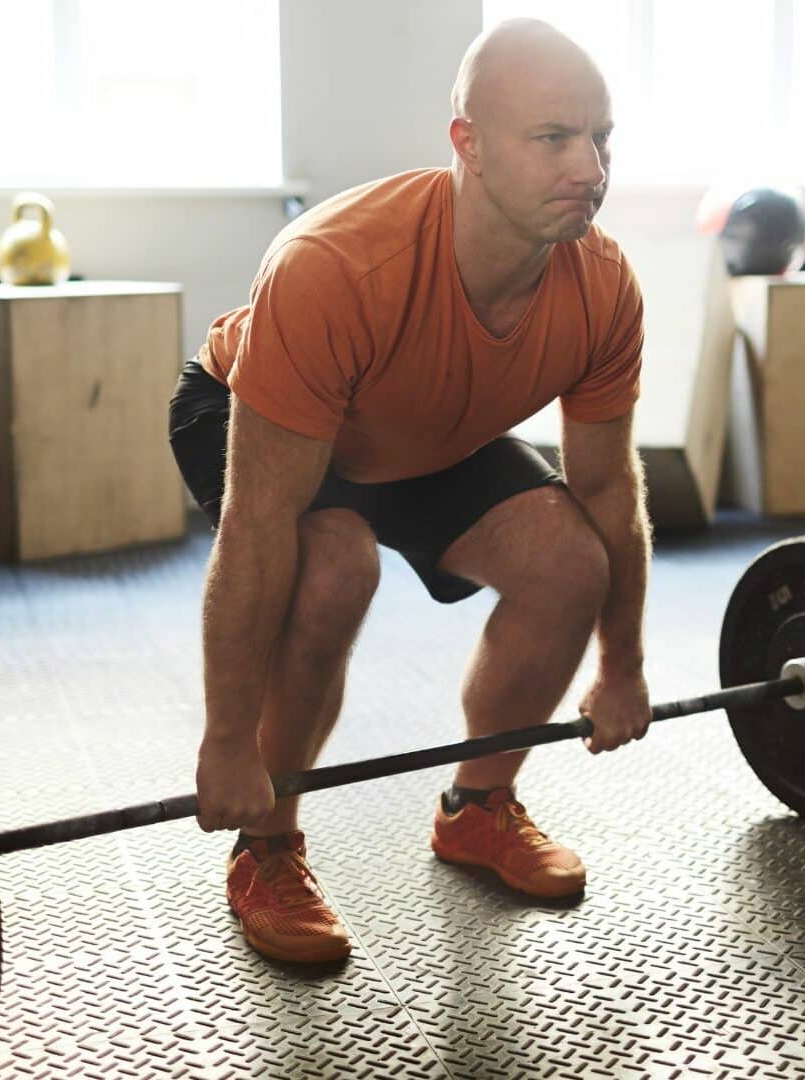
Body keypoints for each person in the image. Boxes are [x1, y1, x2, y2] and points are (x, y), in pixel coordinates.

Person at [167, 18, 652, 965]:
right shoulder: (338, 267)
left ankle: (479, 805)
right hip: (255, 411)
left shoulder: (601, 287)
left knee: (567, 563)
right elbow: (261, 519)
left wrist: (623, 665)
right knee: (332, 568)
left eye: (602, 138)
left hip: (422, 429)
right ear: (466, 144)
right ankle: (267, 847)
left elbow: (605, 485)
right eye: (553, 138)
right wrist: (228, 739)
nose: (591, 166)